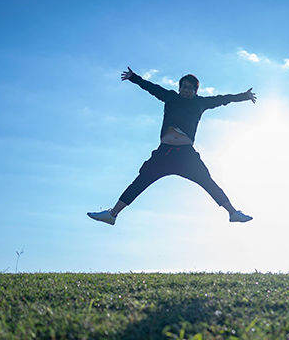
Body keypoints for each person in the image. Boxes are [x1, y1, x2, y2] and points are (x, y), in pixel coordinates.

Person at [88, 67, 255, 225]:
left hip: (186, 155)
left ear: (195, 91)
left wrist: (244, 96)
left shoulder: (200, 103)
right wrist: (134, 78)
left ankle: (233, 213)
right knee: (141, 180)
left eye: (190, 88)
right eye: (183, 87)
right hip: (164, 154)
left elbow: (223, 99)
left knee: (207, 181)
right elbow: (152, 88)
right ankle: (112, 214)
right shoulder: (170, 97)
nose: (186, 90)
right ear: (179, 88)